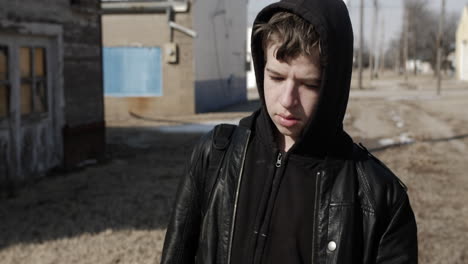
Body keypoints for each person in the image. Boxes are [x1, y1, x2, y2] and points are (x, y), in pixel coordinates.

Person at [160, 0, 418, 263]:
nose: (287, 100)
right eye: (276, 77)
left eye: (309, 84)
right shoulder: (215, 156)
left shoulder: (379, 197)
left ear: (334, 85)